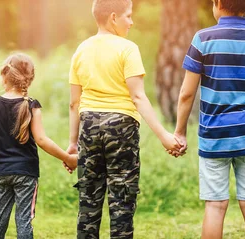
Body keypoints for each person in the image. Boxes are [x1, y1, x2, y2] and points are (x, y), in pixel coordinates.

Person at [67, 0, 182, 238]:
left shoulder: (81, 49)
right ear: (112, 17)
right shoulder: (128, 49)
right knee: (122, 201)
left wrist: (71, 144)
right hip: (121, 128)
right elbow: (138, 97)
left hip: (88, 126)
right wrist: (165, 137)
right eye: (128, 16)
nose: (131, 21)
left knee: (88, 201)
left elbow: (74, 104)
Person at [171, 0, 245, 238]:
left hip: (215, 137)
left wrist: (180, 132)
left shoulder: (203, 39)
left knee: (215, 206)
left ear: (219, 4)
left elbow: (186, 94)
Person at [0, 53, 78, 239]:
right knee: (23, 220)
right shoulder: (31, 105)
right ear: (29, 79)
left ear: (5, 75)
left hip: (2, 172)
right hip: (26, 173)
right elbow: (41, 140)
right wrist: (68, 158)